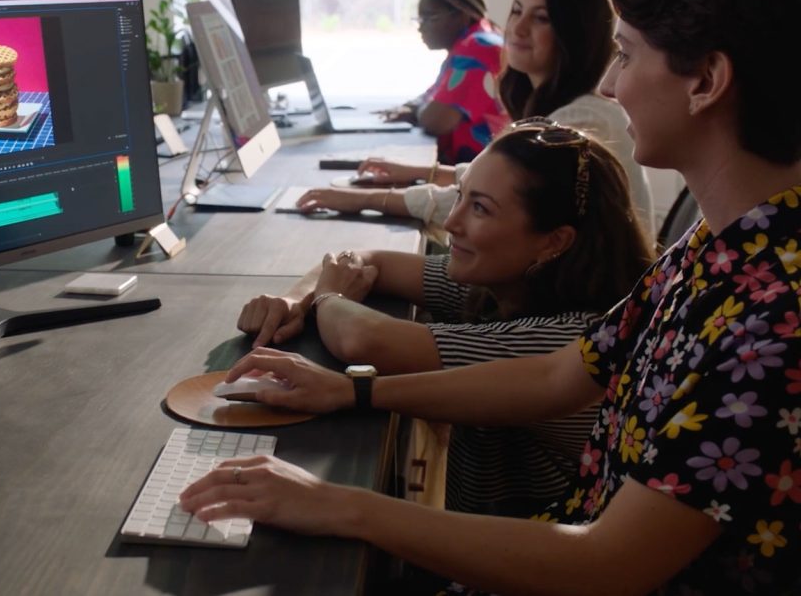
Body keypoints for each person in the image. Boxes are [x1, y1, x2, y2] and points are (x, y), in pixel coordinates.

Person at [182, 0, 801, 594]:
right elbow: (556, 375)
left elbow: (607, 564)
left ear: (707, 80)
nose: (607, 82)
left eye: (626, 54)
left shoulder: (773, 317)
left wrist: (338, 504)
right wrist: (351, 390)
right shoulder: (717, 248)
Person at [241, 123, 653, 515]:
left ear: (553, 242)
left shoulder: (572, 335)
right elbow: (365, 261)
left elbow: (365, 339)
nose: (452, 222)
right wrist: (294, 299)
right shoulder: (506, 278)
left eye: (480, 208)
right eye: (460, 196)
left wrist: (327, 296)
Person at [304, 0, 657, 236]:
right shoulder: (562, 109)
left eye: (542, 18)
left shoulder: (583, 123)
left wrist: (363, 199)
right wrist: (414, 171)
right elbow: (491, 180)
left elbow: (478, 203)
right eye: (517, 11)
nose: (517, 29)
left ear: (576, 34)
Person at [384, 0, 507, 165]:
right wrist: (411, 107)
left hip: (482, 177)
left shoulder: (479, 47)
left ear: (462, 15)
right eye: (419, 19)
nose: (420, 27)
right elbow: (432, 96)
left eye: (429, 18)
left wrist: (416, 113)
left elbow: (438, 120)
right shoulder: (473, 43)